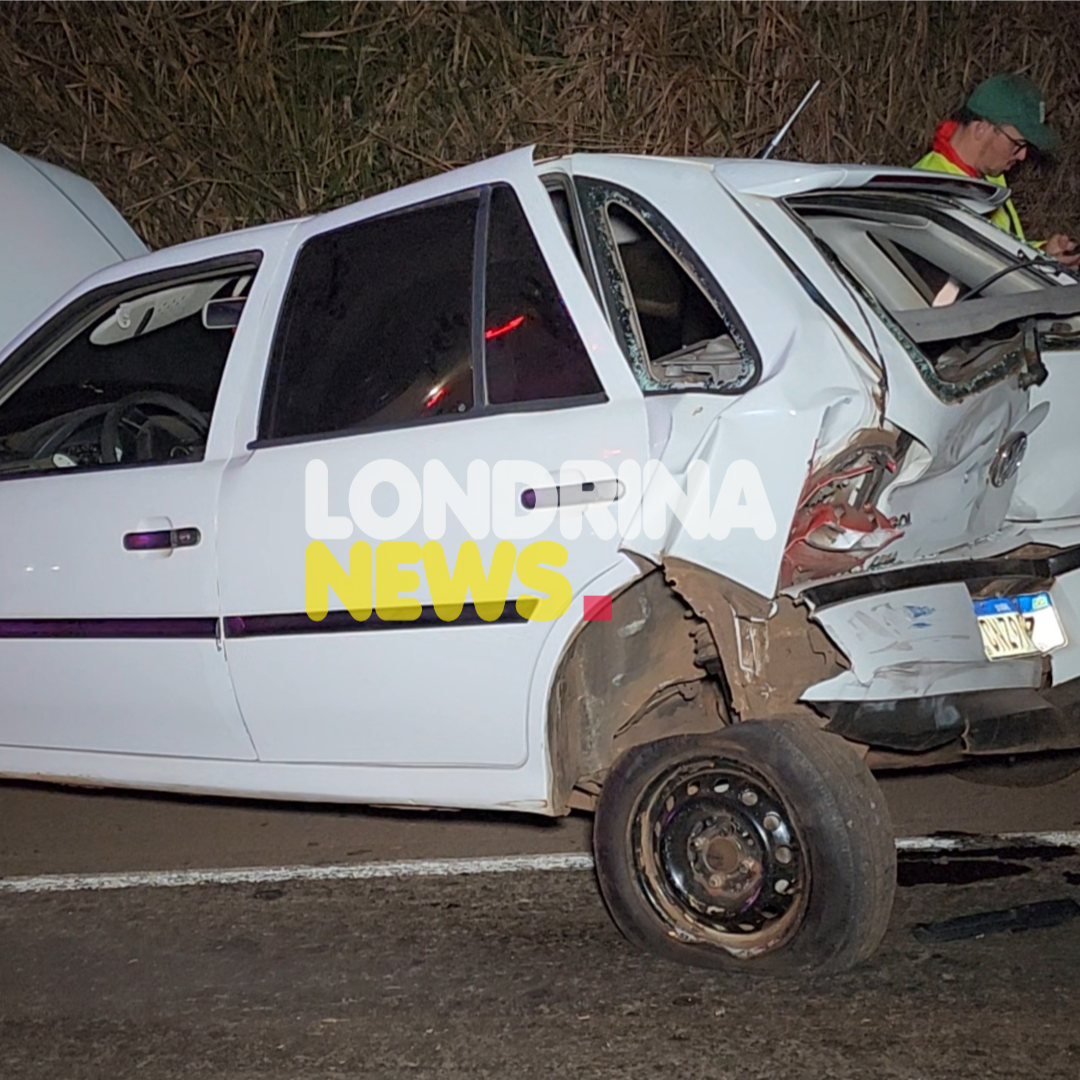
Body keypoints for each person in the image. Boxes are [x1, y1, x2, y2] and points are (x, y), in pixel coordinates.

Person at [914, 72, 1080, 268]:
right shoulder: (935, 191)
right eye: (1017, 144)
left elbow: (1000, 250)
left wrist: (1042, 254)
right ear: (981, 129)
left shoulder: (989, 174)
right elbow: (975, 272)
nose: (1022, 156)